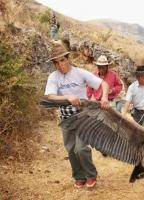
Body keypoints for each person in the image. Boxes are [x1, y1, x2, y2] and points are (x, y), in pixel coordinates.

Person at [44, 44, 110, 189]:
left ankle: (91, 175)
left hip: (82, 117)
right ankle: (79, 177)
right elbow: (50, 96)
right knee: (71, 149)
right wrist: (67, 97)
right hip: (66, 117)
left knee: (81, 148)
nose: (60, 65)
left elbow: (103, 84)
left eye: (62, 60)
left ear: (68, 58)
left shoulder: (80, 73)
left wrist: (104, 97)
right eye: (56, 62)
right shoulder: (53, 77)